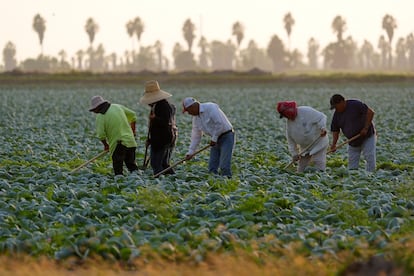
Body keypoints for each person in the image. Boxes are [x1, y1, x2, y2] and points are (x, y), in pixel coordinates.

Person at [182, 97, 235, 177]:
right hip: (215, 139)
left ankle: (228, 182)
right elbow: (196, 135)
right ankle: (215, 186)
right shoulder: (196, 119)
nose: (189, 113)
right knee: (212, 167)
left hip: (226, 136)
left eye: (188, 111)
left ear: (192, 107)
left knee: (224, 165)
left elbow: (219, 124)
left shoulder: (210, 107)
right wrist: (191, 152)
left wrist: (214, 138)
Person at [89, 95, 138, 175]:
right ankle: (139, 184)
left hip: (118, 144)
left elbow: (101, 135)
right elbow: (133, 115)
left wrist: (106, 145)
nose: (94, 112)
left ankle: (120, 184)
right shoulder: (117, 106)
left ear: (97, 107)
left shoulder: (100, 116)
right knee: (132, 167)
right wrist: (133, 131)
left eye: (94, 110)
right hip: (130, 141)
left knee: (118, 170)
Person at [277, 101, 329, 172]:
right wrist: (294, 154)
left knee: (318, 161)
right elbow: (290, 139)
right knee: (301, 167)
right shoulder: (289, 123)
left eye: (286, 115)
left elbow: (322, 117)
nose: (286, 117)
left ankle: (322, 176)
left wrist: (322, 128)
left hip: (318, 142)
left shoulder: (306, 111)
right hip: (305, 147)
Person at [139, 80, 177, 176]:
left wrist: (155, 118)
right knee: (163, 163)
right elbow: (154, 127)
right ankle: (171, 178)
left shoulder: (164, 106)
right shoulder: (155, 106)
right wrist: (150, 140)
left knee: (156, 164)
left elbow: (166, 122)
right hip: (157, 139)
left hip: (163, 139)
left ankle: (161, 182)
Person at [329, 94, 376, 172]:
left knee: (369, 156)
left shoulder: (355, 104)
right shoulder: (337, 115)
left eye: (336, 106)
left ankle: (371, 175)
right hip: (352, 140)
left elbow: (370, 112)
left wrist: (366, 128)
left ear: (342, 102)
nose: (336, 109)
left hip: (367, 136)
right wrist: (334, 144)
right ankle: (353, 178)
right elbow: (335, 130)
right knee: (352, 161)